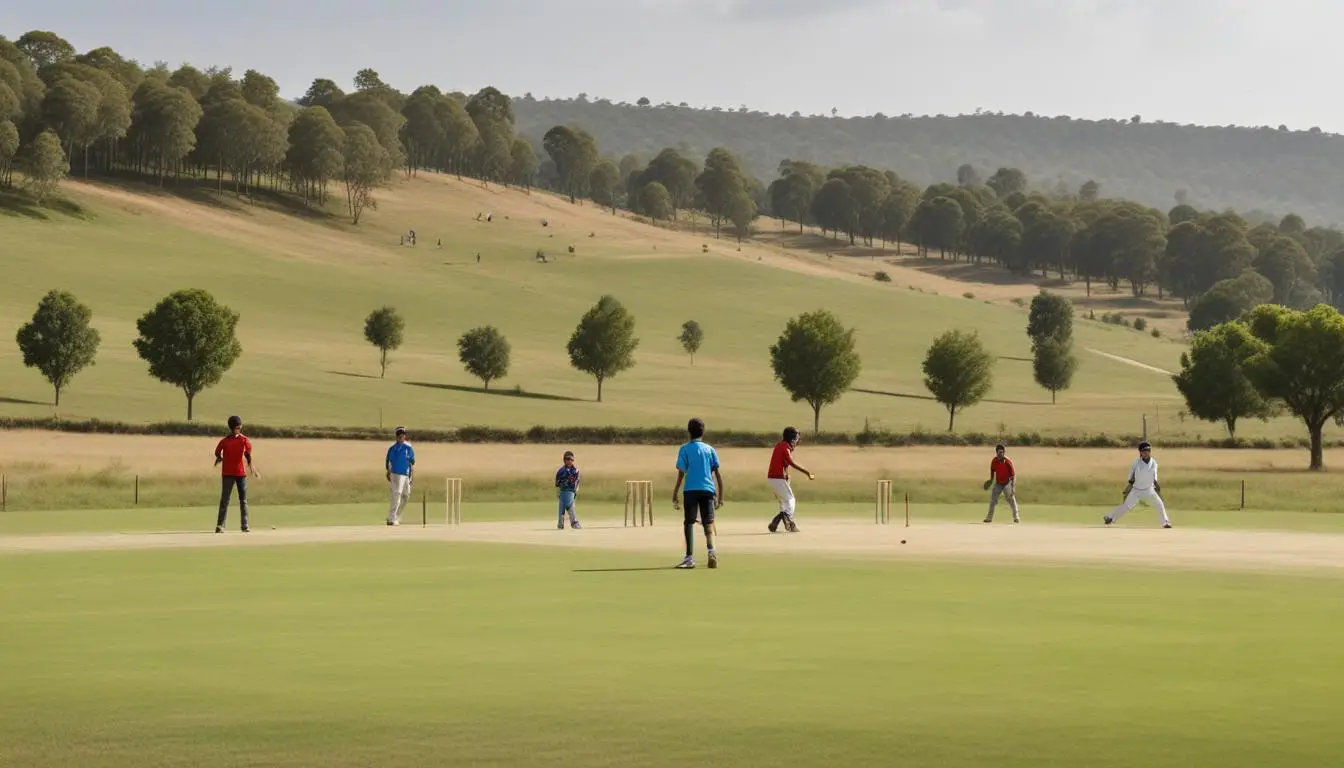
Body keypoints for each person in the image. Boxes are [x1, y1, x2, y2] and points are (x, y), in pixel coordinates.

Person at [671, 418, 724, 569]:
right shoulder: (709, 449)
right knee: (708, 523)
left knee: (689, 523)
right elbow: (717, 474)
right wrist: (720, 495)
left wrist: (675, 493)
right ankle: (711, 551)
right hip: (708, 489)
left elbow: (681, 474)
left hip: (691, 490)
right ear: (703, 432)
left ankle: (689, 558)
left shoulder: (685, 449)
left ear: (689, 432)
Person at [1105, 441, 1171, 528]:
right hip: (1136, 490)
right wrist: (1128, 489)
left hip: (1149, 489)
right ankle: (1110, 518)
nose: (1146, 453)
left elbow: (1154, 477)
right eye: (1144, 451)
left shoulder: (1154, 463)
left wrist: (1157, 488)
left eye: (1148, 450)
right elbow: (1131, 478)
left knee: (1159, 504)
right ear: (1140, 452)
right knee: (1126, 506)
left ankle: (1165, 522)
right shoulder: (1136, 463)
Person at [214, 415, 257, 533]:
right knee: (225, 499)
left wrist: (251, 466)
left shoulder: (243, 440)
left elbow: (248, 454)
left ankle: (245, 525)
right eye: (237, 427)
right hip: (228, 473)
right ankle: (220, 525)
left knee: (243, 500)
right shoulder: (225, 441)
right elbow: (217, 452)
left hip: (240, 473)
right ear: (232, 428)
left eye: (239, 427)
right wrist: (219, 458)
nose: (239, 428)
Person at [767, 426, 814, 533]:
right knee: (791, 500)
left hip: (772, 478)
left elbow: (783, 462)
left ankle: (775, 524)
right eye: (797, 438)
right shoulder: (785, 448)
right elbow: (791, 462)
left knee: (784, 502)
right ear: (792, 439)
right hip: (778, 478)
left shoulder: (780, 445)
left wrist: (787, 474)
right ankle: (788, 520)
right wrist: (807, 472)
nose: (798, 441)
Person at [385, 426, 415, 526]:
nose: (401, 437)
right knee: (397, 495)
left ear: (405, 436)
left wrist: (411, 475)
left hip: (405, 474)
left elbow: (411, 462)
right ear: (396, 436)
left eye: (403, 435)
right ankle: (391, 518)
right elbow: (389, 462)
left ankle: (395, 516)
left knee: (406, 496)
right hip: (396, 474)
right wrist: (389, 472)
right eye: (399, 435)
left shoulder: (408, 447)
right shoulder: (393, 448)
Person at [983, 444, 1020, 523]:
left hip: (1007, 483)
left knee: (1011, 499)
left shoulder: (1008, 461)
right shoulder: (994, 461)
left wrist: (1013, 487)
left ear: (1004, 452)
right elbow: (992, 471)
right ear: (996, 453)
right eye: (999, 452)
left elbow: (1013, 475)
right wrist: (991, 480)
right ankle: (989, 518)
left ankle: (1016, 517)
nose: (1001, 454)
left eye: (1002, 452)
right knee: (993, 500)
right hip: (998, 483)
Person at [554, 450, 582, 529]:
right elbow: (557, 483)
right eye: (567, 459)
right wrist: (559, 492)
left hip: (571, 492)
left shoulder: (575, 471)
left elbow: (577, 482)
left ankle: (574, 522)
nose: (569, 461)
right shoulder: (561, 471)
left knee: (571, 507)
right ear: (564, 460)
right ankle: (560, 523)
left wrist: (575, 491)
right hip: (563, 492)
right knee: (561, 509)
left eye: (571, 459)